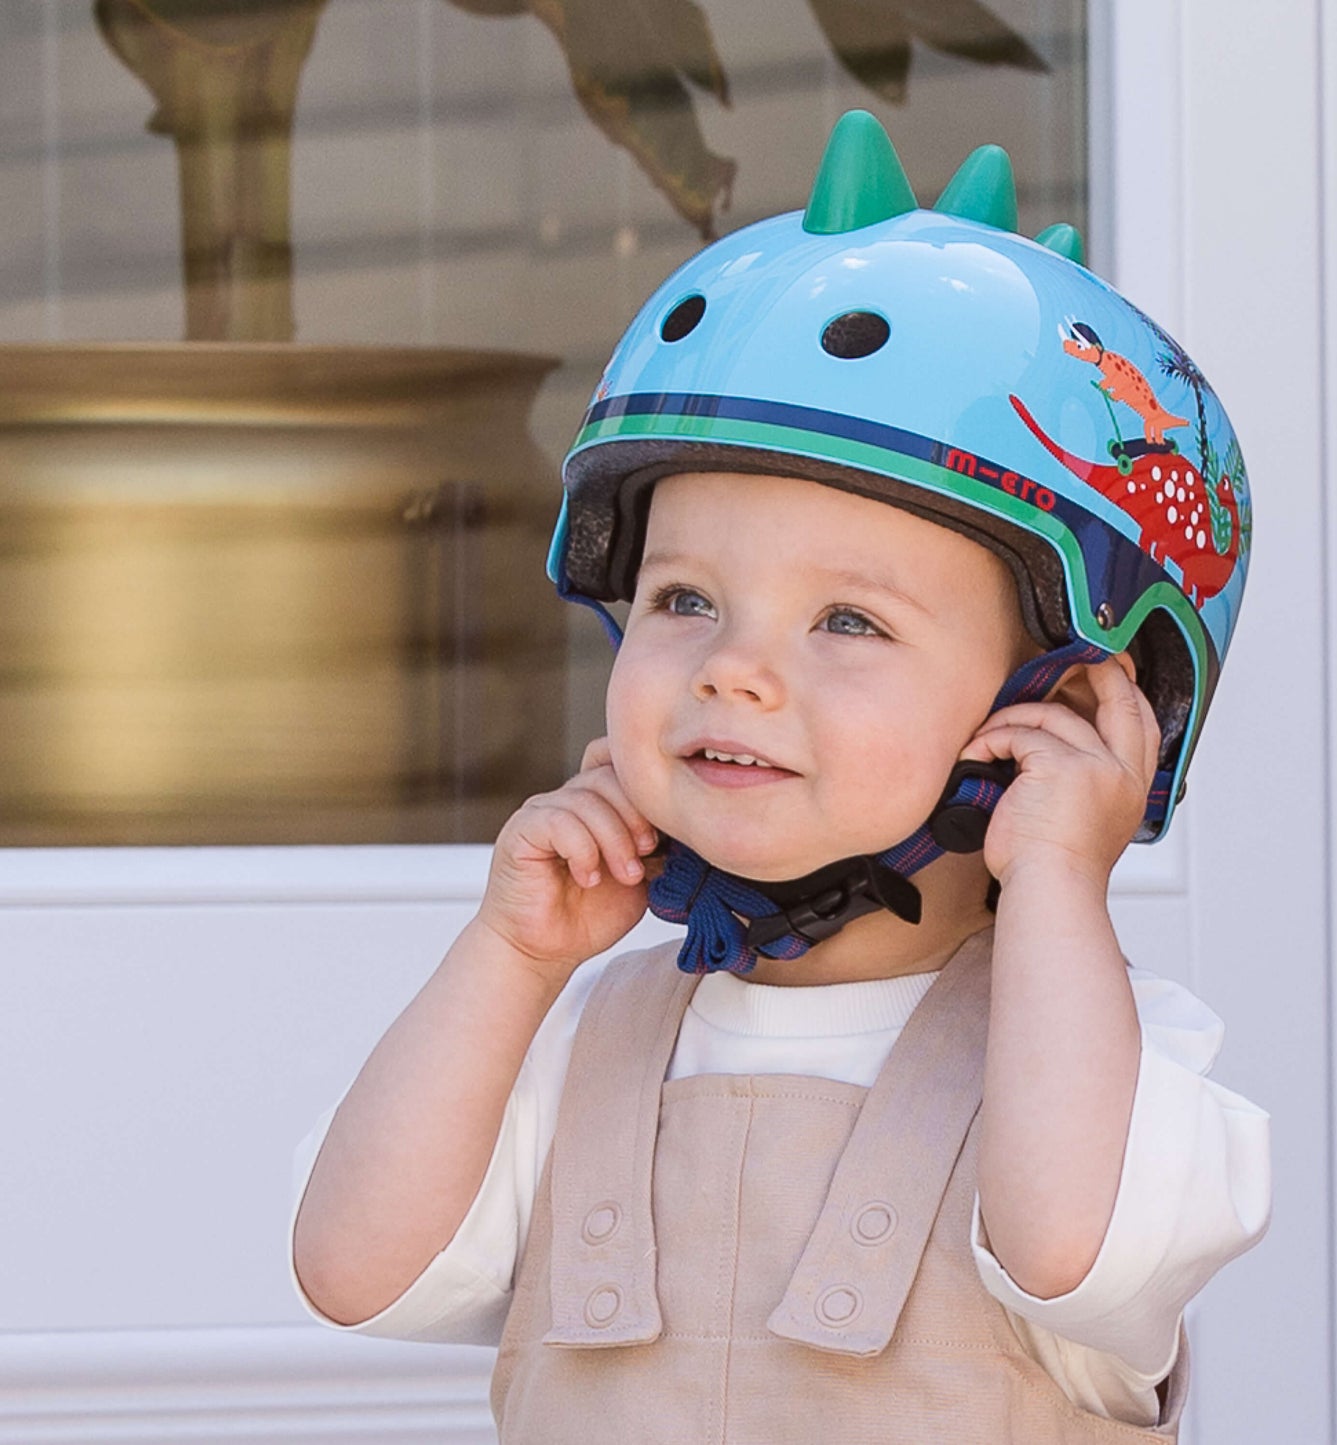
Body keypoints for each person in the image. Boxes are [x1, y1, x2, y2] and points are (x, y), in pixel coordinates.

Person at [291, 111, 1270, 1442]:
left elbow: (1065, 1251)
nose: (732, 671)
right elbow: (354, 1272)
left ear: (1072, 705)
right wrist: (509, 957)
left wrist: (1056, 882)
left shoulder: (1105, 1054)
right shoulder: (576, 1038)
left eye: (848, 621)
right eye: (684, 596)